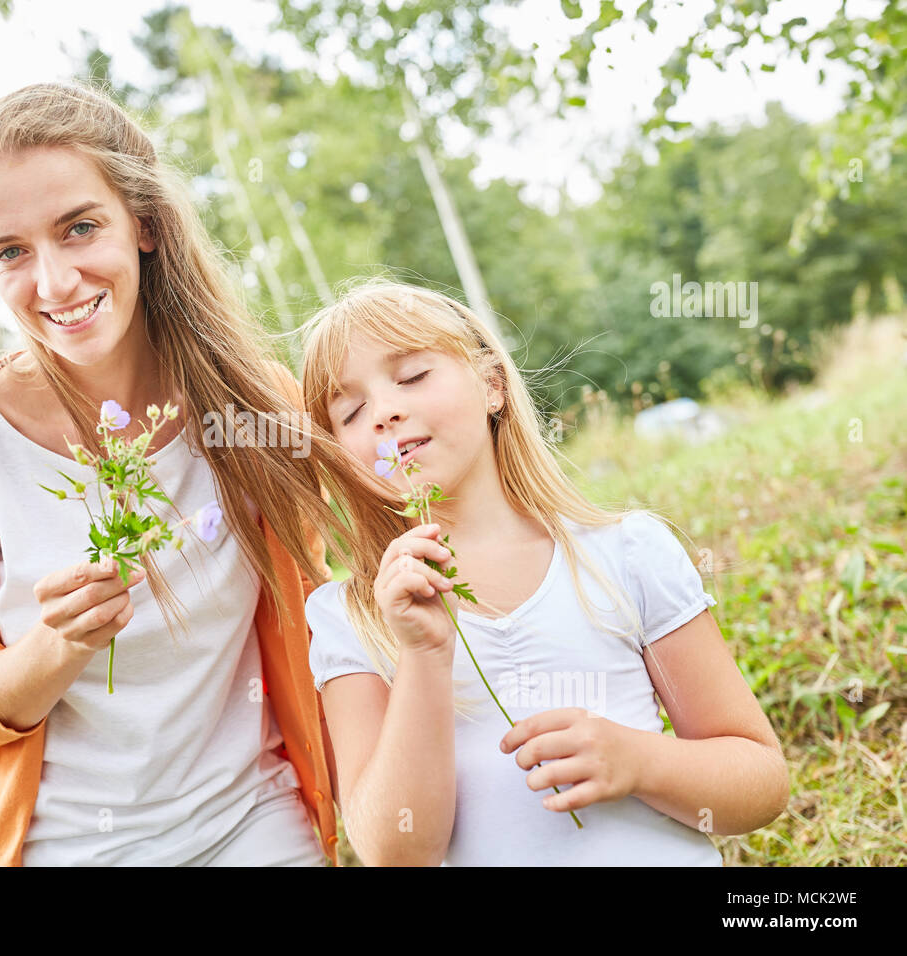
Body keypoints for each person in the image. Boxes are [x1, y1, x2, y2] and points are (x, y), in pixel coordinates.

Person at [0, 81, 350, 866]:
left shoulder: (255, 406)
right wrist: (51, 649)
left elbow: (337, 593)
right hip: (63, 848)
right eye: (11, 253)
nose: (55, 283)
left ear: (147, 225)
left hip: (256, 825)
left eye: (79, 228)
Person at [297, 280, 790, 866]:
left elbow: (760, 783)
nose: (385, 412)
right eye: (351, 411)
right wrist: (424, 657)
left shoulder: (624, 554)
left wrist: (639, 761)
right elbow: (397, 853)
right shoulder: (350, 618)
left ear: (492, 384)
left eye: (412, 376)